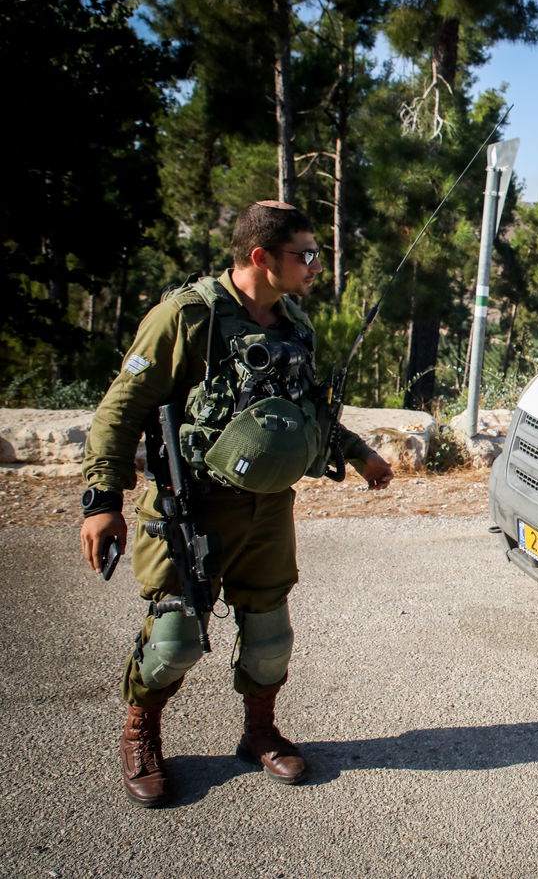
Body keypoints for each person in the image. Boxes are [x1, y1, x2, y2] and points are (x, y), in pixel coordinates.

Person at [79, 200, 394, 807]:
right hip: (190, 504)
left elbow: (308, 408)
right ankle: (141, 731)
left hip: (269, 508)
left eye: (314, 254)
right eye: (304, 254)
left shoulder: (291, 320)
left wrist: (356, 452)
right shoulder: (186, 317)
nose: (313, 265)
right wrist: (103, 499)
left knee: (271, 636)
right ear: (260, 257)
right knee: (174, 640)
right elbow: (122, 406)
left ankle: (259, 732)